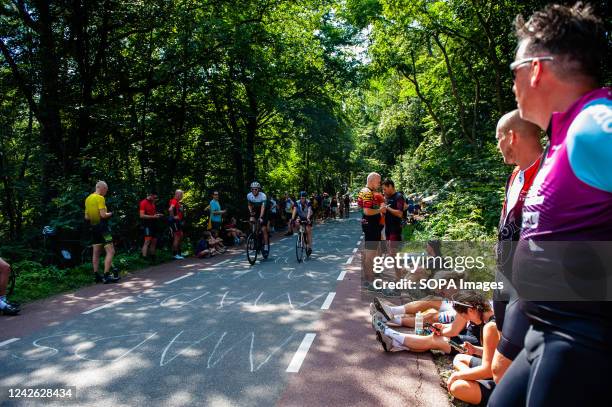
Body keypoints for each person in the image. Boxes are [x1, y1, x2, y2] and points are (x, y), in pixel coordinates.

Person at [489, 4, 612, 406]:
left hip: (580, 341)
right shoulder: (562, 139)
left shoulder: (594, 126)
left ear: (536, 69)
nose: (512, 84)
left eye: (514, 70)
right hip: (543, 328)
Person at [490, 110, 543, 383]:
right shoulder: (514, 175)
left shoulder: (549, 172)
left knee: (502, 366)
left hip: (529, 286)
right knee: (505, 346)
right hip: (504, 276)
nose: (497, 145)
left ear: (511, 137)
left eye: (498, 138)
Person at [446, 292, 499, 406]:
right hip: (500, 368)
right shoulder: (494, 319)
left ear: (470, 310)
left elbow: (488, 370)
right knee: (459, 358)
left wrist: (457, 375)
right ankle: (474, 380)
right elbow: (498, 352)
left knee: (457, 387)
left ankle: (474, 382)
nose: (467, 320)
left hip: (505, 381)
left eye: (464, 317)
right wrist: (475, 350)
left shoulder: (491, 327)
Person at [84, 181, 119, 283]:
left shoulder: (88, 199)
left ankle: (96, 276)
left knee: (96, 252)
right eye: (106, 190)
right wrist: (111, 213)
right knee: (111, 251)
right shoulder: (100, 198)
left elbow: (86, 217)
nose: (106, 192)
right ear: (102, 188)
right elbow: (103, 215)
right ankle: (107, 275)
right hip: (103, 228)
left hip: (93, 228)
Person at [358, 172, 385, 289]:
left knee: (368, 253)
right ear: (372, 180)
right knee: (370, 254)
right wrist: (380, 210)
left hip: (369, 225)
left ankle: (367, 278)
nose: (379, 184)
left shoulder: (366, 191)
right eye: (378, 182)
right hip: (371, 226)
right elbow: (367, 211)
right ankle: (370, 281)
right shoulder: (367, 193)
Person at [247, 181, 269, 257]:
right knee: (251, 220)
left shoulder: (263, 196)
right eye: (252, 189)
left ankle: (266, 247)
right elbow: (249, 205)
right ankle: (254, 236)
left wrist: (261, 217)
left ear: (258, 189)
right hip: (255, 210)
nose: (254, 191)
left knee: (263, 229)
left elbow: (263, 207)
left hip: (264, 211)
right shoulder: (249, 195)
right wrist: (251, 212)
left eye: (255, 189)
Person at [139, 192, 164, 260]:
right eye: (154, 198)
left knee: (154, 240)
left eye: (156, 198)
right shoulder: (143, 202)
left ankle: (153, 257)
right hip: (147, 224)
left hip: (154, 224)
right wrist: (153, 217)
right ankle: (144, 258)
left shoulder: (152, 202)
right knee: (147, 241)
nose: (155, 199)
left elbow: (153, 213)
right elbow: (141, 215)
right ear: (150, 195)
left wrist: (158, 214)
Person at [292, 191, 314, 256]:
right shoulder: (297, 202)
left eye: (303, 198)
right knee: (296, 223)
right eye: (301, 198)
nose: (302, 199)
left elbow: (309, 210)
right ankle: (300, 235)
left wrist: (308, 218)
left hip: (308, 216)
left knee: (308, 230)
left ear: (305, 198)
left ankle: (309, 247)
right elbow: (294, 210)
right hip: (301, 217)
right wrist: (292, 219)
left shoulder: (308, 202)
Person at [168, 189, 186, 260]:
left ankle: (179, 252)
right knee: (177, 237)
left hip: (178, 222)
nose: (182, 196)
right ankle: (175, 255)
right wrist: (173, 216)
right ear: (177, 195)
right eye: (181, 195)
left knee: (180, 236)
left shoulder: (178, 202)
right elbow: (170, 209)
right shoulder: (174, 201)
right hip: (174, 222)